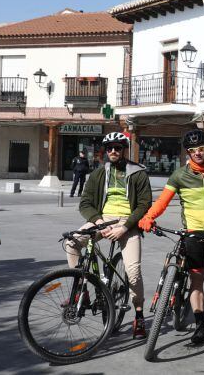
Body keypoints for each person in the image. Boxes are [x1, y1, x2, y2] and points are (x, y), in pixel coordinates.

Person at [138, 129, 204, 345]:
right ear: (188, 153)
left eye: (201, 149)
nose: (198, 153)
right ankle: (201, 325)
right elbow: (162, 202)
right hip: (193, 234)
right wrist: (148, 217)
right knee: (196, 281)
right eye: (193, 150)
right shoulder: (179, 175)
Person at [64, 132, 152, 338]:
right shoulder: (99, 173)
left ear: (124, 150)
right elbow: (85, 202)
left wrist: (126, 226)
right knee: (72, 242)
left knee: (133, 271)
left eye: (118, 148)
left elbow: (144, 204)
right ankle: (82, 290)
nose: (113, 151)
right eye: (110, 148)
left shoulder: (138, 173)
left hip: (127, 222)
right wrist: (99, 221)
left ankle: (138, 315)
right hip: (103, 219)